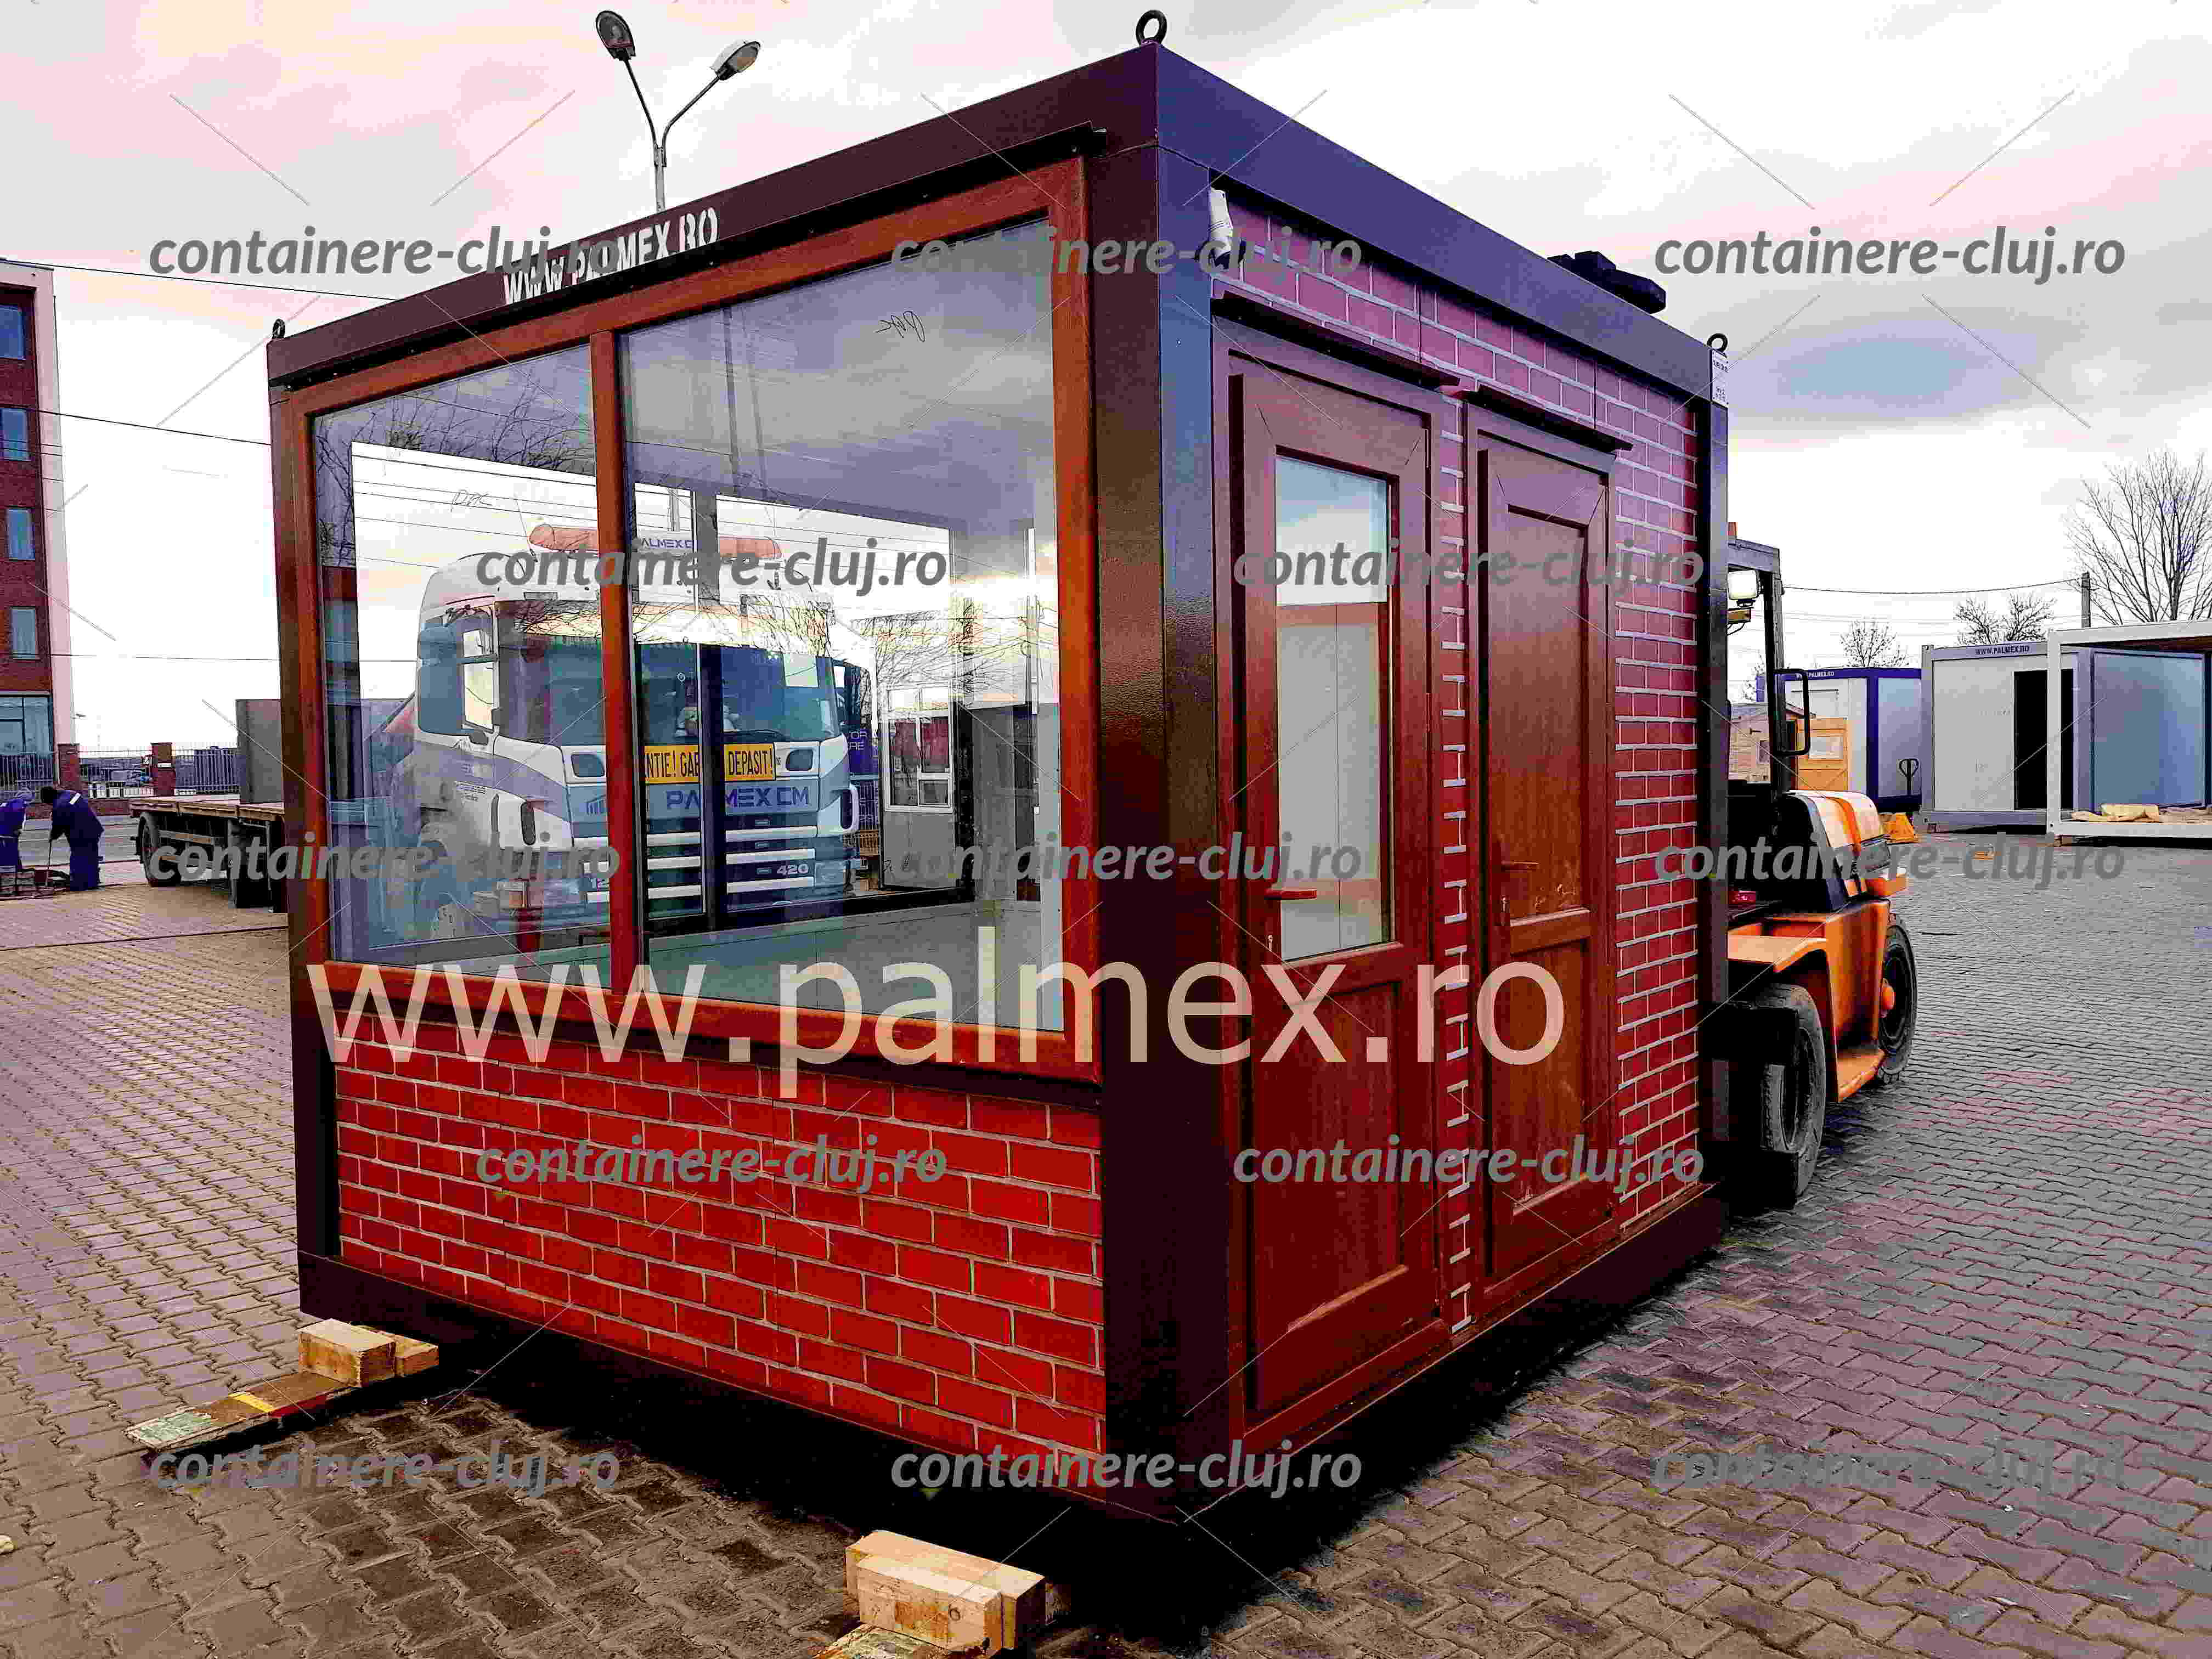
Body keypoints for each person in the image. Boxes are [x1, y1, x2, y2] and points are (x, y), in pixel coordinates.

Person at [39, 785, 104, 890]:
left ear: (50, 798)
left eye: (49, 803)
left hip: (81, 834)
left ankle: (78, 883)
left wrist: (52, 836)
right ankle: (92, 882)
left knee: (78, 857)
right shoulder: (71, 793)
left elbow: (58, 827)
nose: (50, 805)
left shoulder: (60, 806)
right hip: (94, 828)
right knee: (91, 856)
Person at [0, 789, 27, 873]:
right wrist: (17, 828)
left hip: (3, 831)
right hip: (9, 833)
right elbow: (18, 814)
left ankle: (6, 870)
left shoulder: (7, 803)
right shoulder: (20, 803)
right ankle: (14, 871)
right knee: (12, 852)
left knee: (3, 852)